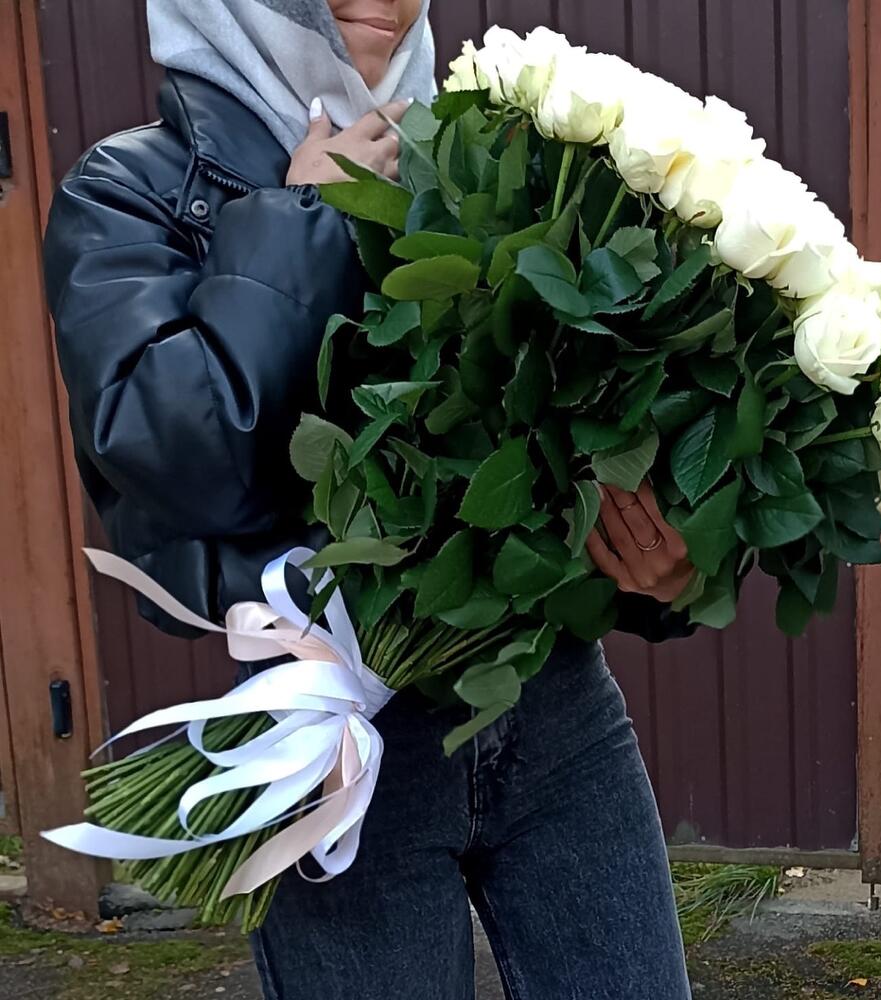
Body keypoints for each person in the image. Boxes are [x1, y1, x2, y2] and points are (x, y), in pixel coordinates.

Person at [43, 2, 696, 997]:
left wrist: (655, 570)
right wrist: (306, 220)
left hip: (553, 708)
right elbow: (181, 469)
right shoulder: (129, 191)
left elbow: (577, 424)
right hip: (335, 737)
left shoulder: (495, 157)